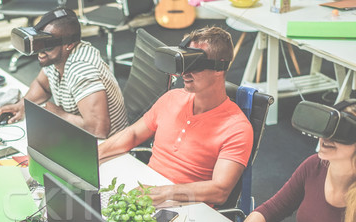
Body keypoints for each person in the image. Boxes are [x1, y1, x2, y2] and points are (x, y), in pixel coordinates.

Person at [98, 26, 253, 207]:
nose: (185, 73)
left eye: (194, 65)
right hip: (146, 190)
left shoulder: (237, 128)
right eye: (184, 63)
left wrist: (165, 193)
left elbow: (220, 192)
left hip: (186, 207)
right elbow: (133, 134)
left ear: (219, 67)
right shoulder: (172, 97)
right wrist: (93, 156)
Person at [215, 101, 356, 222]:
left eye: (339, 134)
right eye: (326, 130)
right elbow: (272, 209)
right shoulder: (313, 167)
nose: (326, 139)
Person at [0, 8, 128, 139]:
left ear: (69, 44)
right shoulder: (56, 56)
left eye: (47, 45)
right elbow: (42, 86)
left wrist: (61, 115)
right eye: (39, 43)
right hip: (80, 134)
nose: (40, 52)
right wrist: (21, 105)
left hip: (109, 145)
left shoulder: (82, 70)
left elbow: (98, 130)